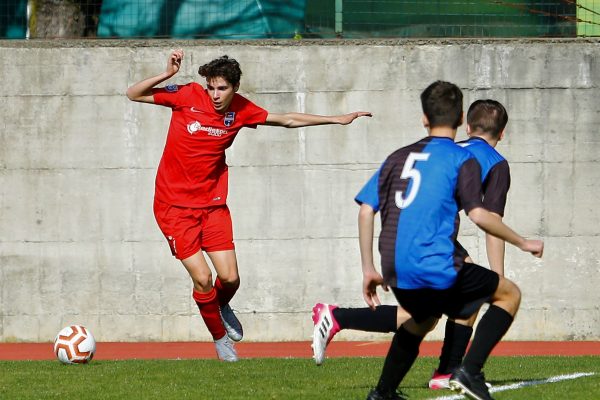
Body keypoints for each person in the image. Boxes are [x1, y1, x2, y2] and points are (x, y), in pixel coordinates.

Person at [126, 49, 371, 362]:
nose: (215, 94)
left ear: (235, 89)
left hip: (212, 205)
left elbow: (287, 120)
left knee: (230, 279)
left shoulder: (241, 110)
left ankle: (219, 305)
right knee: (202, 278)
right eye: (211, 87)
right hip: (173, 207)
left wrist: (335, 119)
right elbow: (134, 94)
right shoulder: (187, 95)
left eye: (222, 88)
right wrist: (168, 74)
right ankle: (219, 338)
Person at [325, 80, 542, 400]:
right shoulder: (468, 159)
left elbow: (366, 209)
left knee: (423, 318)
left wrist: (369, 267)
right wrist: (523, 243)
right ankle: (467, 371)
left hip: (394, 261)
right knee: (506, 294)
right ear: (459, 123)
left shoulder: (399, 156)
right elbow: (483, 217)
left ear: (425, 119)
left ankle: (386, 391)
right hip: (435, 257)